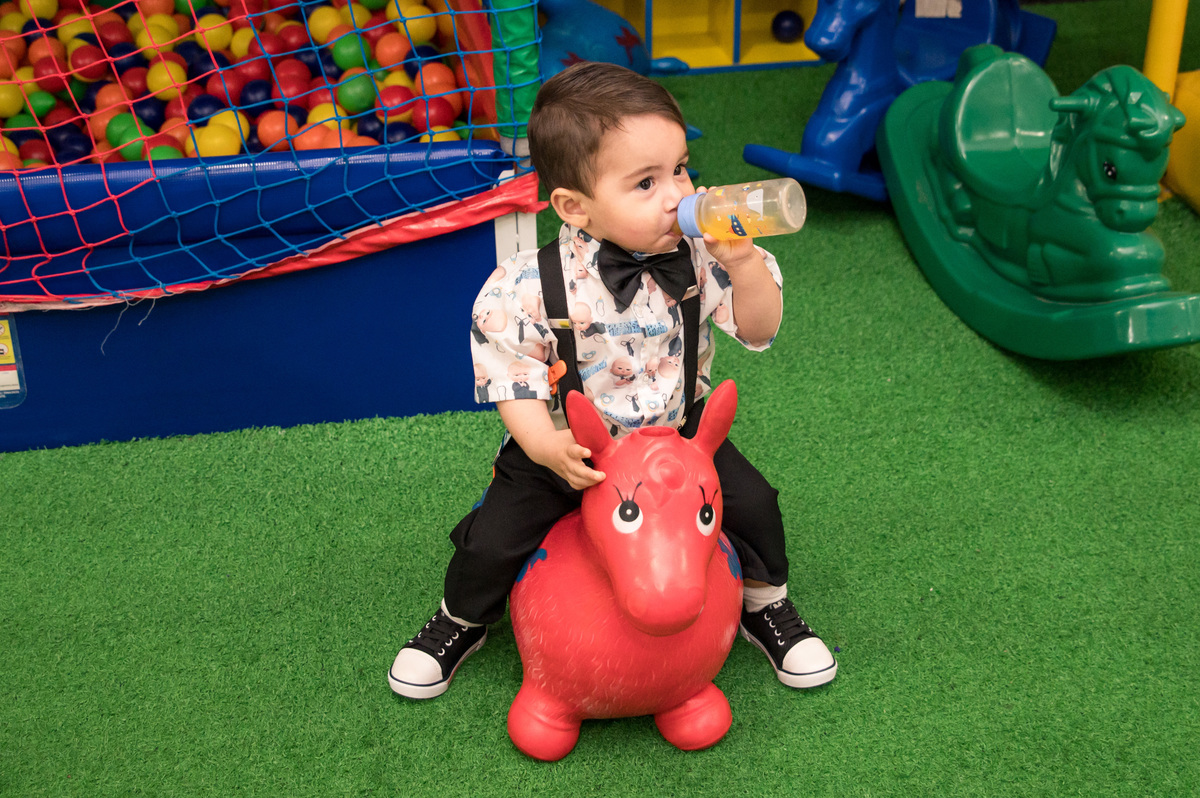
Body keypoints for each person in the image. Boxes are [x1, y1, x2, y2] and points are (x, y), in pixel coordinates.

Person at [388, 61, 837, 700]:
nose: (677, 196)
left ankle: (767, 604)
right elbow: (513, 380)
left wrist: (742, 264)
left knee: (756, 504)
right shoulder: (526, 285)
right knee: (493, 541)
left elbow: (759, 327)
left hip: (678, 440)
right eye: (646, 182)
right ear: (576, 207)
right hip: (573, 446)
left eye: (681, 169)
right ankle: (460, 618)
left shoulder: (702, 257)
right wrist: (544, 446)